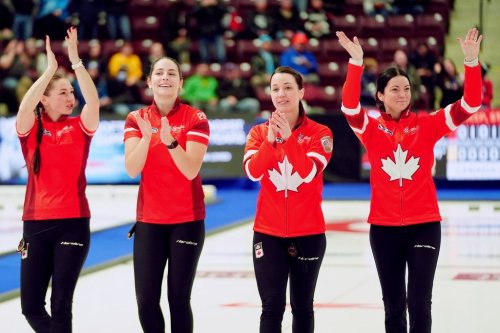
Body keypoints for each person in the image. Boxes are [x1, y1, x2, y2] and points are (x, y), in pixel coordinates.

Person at [336, 27, 483, 333]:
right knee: (393, 306)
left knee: (419, 303)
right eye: (394, 90)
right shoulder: (371, 129)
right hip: (384, 229)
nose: (402, 95)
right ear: (380, 96)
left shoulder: (428, 124)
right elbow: (349, 107)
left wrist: (471, 64)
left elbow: (470, 105)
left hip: (425, 225)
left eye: (406, 89)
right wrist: (356, 63)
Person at [15, 26, 99, 332]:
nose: (70, 97)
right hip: (36, 223)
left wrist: (75, 60)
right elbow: (25, 107)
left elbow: (93, 102)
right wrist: (50, 70)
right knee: (31, 307)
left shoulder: (79, 126)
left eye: (71, 92)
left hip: (74, 221)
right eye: (62, 92)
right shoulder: (31, 129)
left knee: (62, 304)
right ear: (45, 100)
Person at [243, 66, 333, 332]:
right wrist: (271, 141)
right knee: (271, 307)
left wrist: (289, 138)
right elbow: (252, 172)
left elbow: (307, 173)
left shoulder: (321, 132)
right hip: (267, 233)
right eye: (275, 89)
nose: (281, 94)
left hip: (309, 232)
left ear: (301, 92)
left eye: (288, 88)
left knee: (303, 306)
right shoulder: (259, 133)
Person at [124, 56, 210, 333]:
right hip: (150, 220)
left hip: (187, 219)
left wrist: (170, 140)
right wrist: (148, 137)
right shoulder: (136, 119)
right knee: (146, 301)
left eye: (171, 73)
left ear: (180, 84)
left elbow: (190, 170)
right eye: (159, 73)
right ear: (149, 82)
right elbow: (132, 169)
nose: (165, 77)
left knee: (178, 299)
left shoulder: (195, 118)